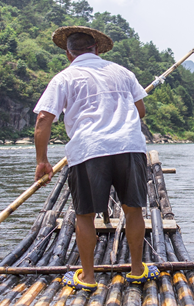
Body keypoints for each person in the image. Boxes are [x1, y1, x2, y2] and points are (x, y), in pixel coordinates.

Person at [33, 26, 160, 292]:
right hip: (129, 146)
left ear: (69, 54)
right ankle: (137, 271)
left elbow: (44, 119)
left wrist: (42, 161)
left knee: (85, 214)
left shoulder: (63, 78)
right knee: (133, 209)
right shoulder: (123, 73)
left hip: (89, 149)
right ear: (97, 49)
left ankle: (88, 278)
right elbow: (141, 111)